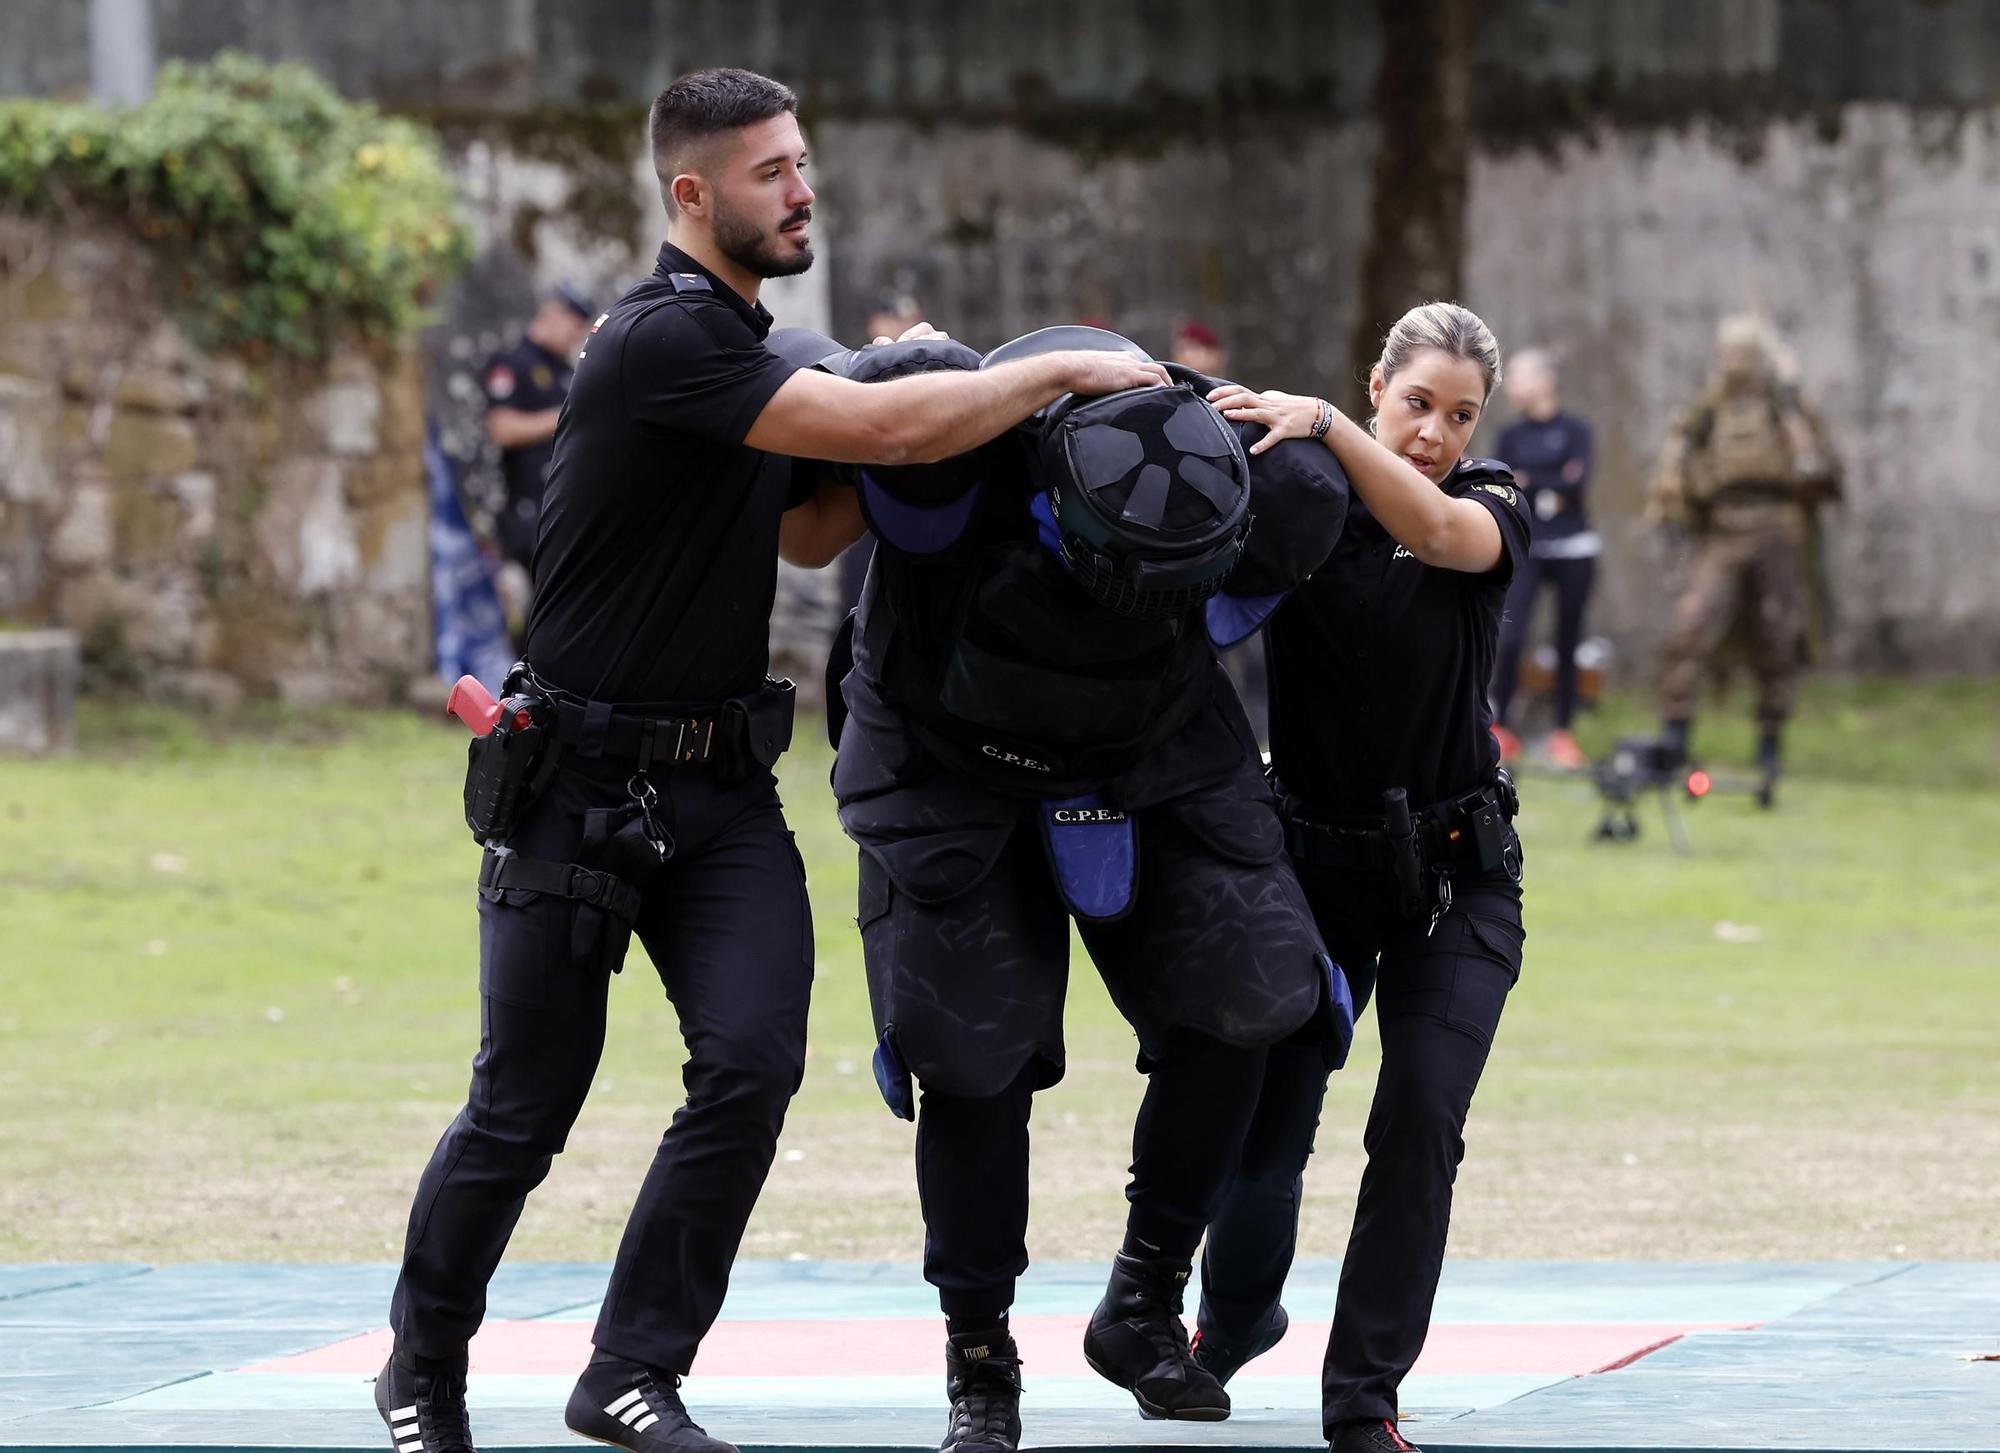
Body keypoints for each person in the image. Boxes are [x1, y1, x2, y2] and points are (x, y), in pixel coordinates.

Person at [375, 68, 1170, 1453]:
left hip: (722, 790)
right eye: (770, 172)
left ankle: (629, 1369)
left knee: (748, 1067)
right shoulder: (661, 339)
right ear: (692, 194)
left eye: (802, 162)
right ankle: (421, 1369)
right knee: (524, 1105)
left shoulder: (747, 348)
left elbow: (811, 527)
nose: (802, 190)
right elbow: (879, 431)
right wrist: (1042, 372)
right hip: (576, 785)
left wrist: (926, 395)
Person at [775, 322, 1355, 1453]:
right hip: (942, 755)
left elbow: (1351, 491)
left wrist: (1323, 422)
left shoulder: (1247, 480)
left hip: (1153, 743)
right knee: (968, 1051)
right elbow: (796, 408)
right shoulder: (945, 453)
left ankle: (1143, 1300)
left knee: (1259, 987)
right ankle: (979, 1357)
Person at [1194, 302, 1529, 1453]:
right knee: (1265, 1126)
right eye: (1416, 403)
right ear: (1376, 384)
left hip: (1456, 882)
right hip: (1311, 875)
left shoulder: (1490, 503)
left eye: (1459, 415)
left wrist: (1326, 425)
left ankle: (1360, 1398)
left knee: (1419, 1116)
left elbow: (1433, 531)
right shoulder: (1298, 505)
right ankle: (1231, 1320)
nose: (1434, 431)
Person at [1648, 315, 1840, 804]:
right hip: (1723, 528)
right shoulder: (1707, 408)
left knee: (1780, 633)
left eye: (1745, 353)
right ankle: (1674, 736)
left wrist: (1793, 403)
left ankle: (1770, 743)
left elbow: (1822, 468)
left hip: (1779, 528)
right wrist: (1674, 504)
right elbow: (1676, 462)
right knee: (1691, 627)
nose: (1736, 363)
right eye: (1729, 352)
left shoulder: (1785, 405)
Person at [1489, 347, 1597, 769]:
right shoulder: (1510, 436)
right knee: (1510, 637)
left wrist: (1533, 482)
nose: (1511, 386)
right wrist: (1550, 484)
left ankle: (1562, 734)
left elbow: (1578, 483)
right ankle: (1502, 728)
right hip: (1528, 548)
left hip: (1575, 549)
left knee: (1568, 642)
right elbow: (1505, 485)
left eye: (1518, 376)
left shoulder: (1576, 430)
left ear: (1545, 381)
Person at [480, 286, 595, 620]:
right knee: (538, 614)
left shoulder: (565, 371)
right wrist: (564, 417)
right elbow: (502, 429)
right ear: (553, 313)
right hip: (528, 513)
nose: (575, 335)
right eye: (574, 324)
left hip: (564, 508)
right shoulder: (513, 362)